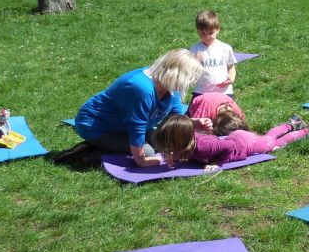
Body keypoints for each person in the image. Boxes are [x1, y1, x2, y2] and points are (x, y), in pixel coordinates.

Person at [73, 49, 208, 167]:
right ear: (177, 74)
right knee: (148, 152)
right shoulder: (140, 88)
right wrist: (141, 160)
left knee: (163, 145)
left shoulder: (171, 86)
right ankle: (92, 151)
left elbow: (175, 117)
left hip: (126, 126)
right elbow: (136, 127)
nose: (190, 83)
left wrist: (193, 123)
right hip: (97, 126)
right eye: (190, 78)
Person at [154, 112, 309, 171]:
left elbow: (229, 146)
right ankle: (292, 123)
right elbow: (185, 153)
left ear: (180, 139)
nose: (168, 149)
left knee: (272, 144)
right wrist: (174, 157)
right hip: (237, 136)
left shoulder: (204, 146)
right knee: (267, 138)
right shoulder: (186, 144)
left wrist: (217, 163)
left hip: (244, 143)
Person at [190, 10, 237, 98]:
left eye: (211, 33)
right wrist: (196, 62)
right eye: (203, 33)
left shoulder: (225, 48)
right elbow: (189, 71)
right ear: (198, 31)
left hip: (224, 91)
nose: (207, 37)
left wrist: (231, 78)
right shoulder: (194, 49)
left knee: (225, 108)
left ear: (217, 29)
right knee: (196, 108)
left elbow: (231, 66)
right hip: (201, 91)